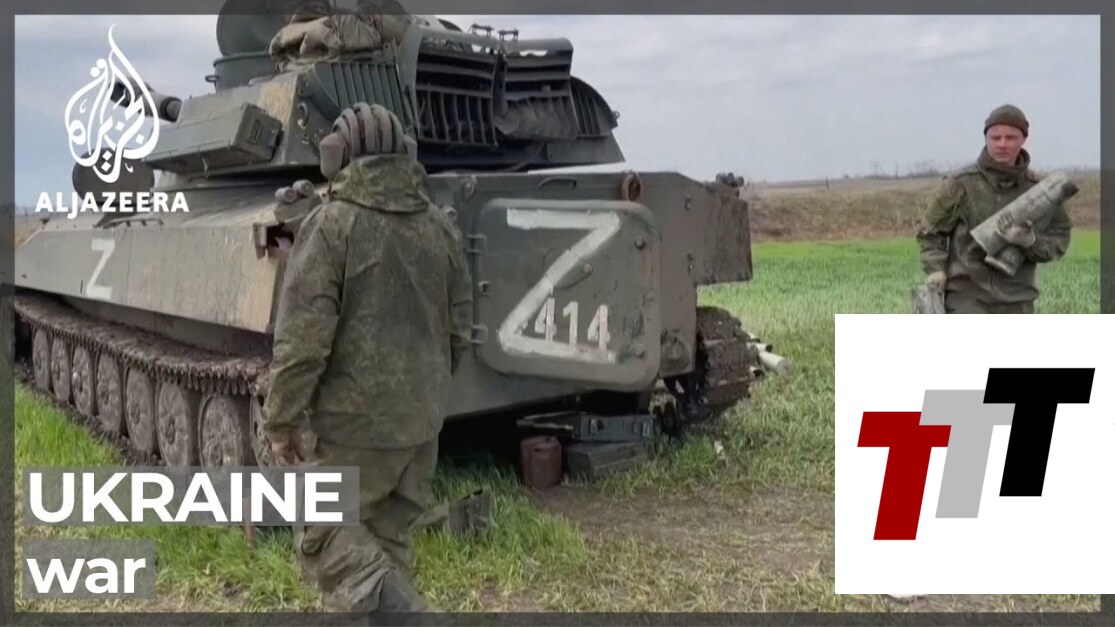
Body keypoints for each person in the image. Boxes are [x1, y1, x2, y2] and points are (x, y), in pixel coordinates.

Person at [261, 102, 473, 612]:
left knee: (324, 530)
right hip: (419, 428)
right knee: (388, 542)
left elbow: (302, 343)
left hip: (351, 427)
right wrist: (425, 396)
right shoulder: (440, 227)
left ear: (336, 156)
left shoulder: (331, 226)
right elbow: (460, 331)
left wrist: (281, 422)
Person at [915, 104, 1072, 314]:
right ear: (986, 139)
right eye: (995, 138)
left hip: (1019, 298)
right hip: (966, 296)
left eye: (1010, 137)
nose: (1002, 144)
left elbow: (1060, 235)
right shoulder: (960, 184)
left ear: (1024, 139)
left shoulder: (1042, 190)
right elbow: (930, 232)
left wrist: (1030, 242)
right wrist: (936, 270)